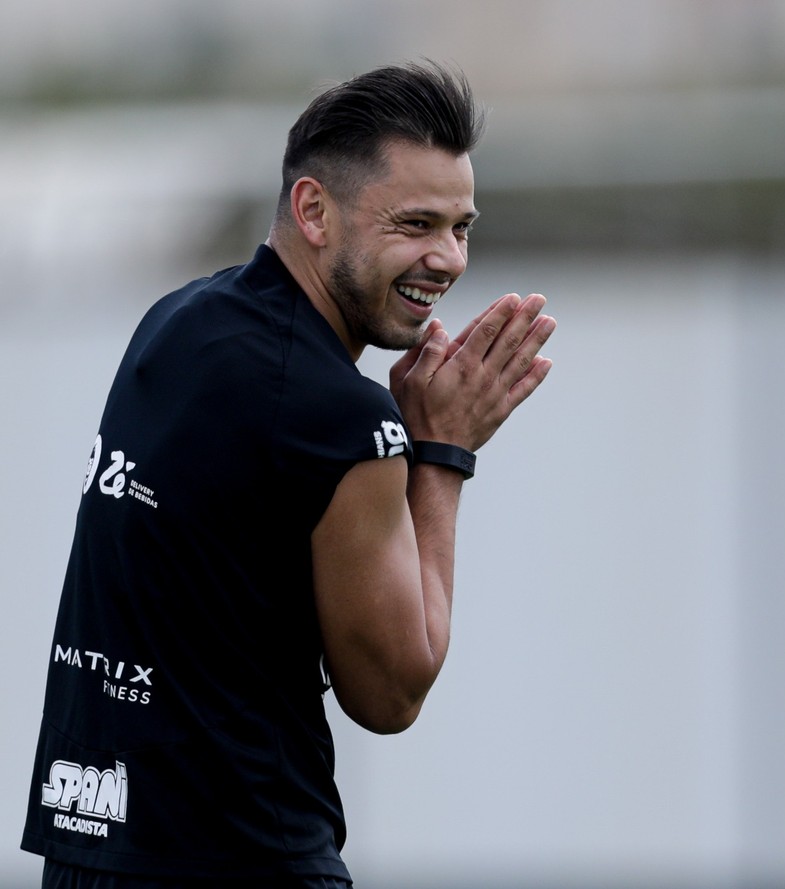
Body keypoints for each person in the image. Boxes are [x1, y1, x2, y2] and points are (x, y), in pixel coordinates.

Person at [21, 61, 555, 888]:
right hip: (243, 858)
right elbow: (391, 691)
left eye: (462, 227)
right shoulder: (338, 415)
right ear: (314, 210)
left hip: (90, 851)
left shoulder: (174, 324)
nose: (447, 259)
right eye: (416, 223)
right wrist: (441, 451)